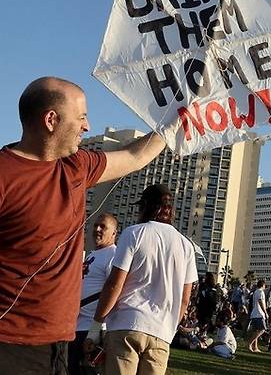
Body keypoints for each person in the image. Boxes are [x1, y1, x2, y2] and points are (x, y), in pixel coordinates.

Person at [0, 77, 166, 374]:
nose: (87, 126)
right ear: (51, 120)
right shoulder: (4, 175)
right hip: (10, 345)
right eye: (81, 117)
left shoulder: (77, 166)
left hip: (60, 344)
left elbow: (135, 155)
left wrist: (177, 119)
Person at [90, 184, 197, 375]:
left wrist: (97, 325)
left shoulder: (134, 233)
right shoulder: (186, 245)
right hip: (162, 332)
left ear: (145, 206)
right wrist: (169, 329)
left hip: (127, 324)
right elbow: (185, 299)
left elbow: (115, 283)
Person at [68, 213, 119, 375]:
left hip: (92, 329)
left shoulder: (113, 255)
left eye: (103, 226)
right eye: (96, 225)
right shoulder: (92, 254)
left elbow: (114, 290)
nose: (97, 229)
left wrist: (97, 329)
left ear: (114, 233)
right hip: (76, 326)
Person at [248, 280, 268, 353]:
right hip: (259, 314)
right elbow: (260, 301)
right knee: (262, 329)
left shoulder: (255, 292)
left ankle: (255, 347)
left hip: (254, 313)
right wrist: (265, 312)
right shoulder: (260, 292)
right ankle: (250, 343)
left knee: (255, 331)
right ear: (263, 285)